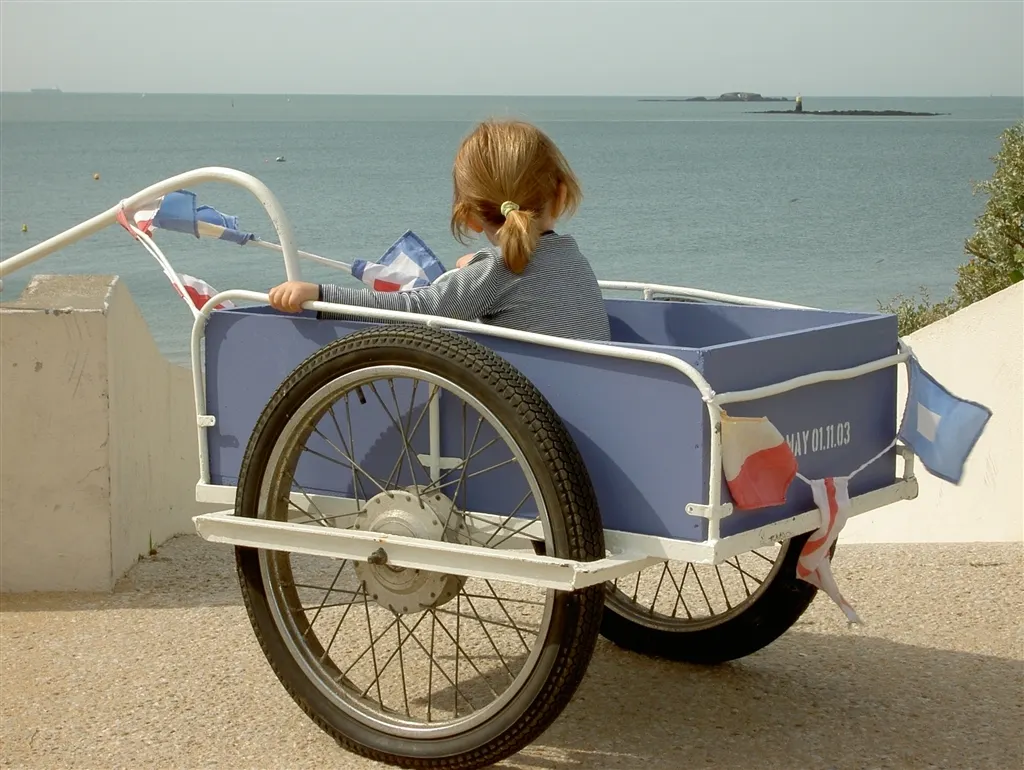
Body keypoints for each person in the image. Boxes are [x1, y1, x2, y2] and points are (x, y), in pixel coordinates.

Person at [267, 119, 611, 341]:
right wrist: (477, 267)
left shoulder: (495, 273)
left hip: (525, 418)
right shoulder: (573, 258)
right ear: (560, 196)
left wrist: (320, 296)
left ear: (470, 217)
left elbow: (415, 310)